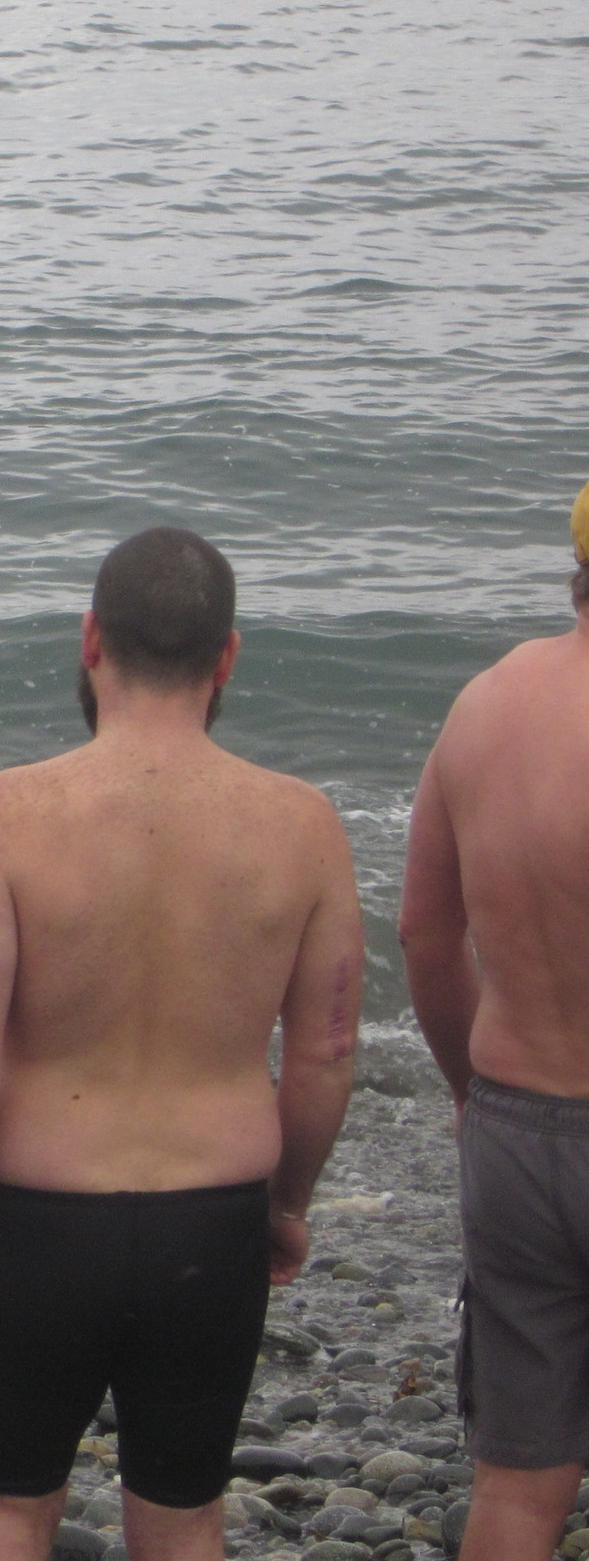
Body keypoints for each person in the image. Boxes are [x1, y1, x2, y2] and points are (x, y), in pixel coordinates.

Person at [0, 527, 364, 1561]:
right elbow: (326, 1051)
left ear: (89, 641)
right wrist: (286, 1205)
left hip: (42, 1223)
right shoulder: (302, 826)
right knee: (180, 1515)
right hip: (213, 1226)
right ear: (228, 655)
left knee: (6, 1513)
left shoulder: (6, 814)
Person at [399, 481, 589, 1561]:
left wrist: (469, 1093)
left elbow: (427, 934)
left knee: (516, 1488)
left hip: (517, 1122)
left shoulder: (487, 704)